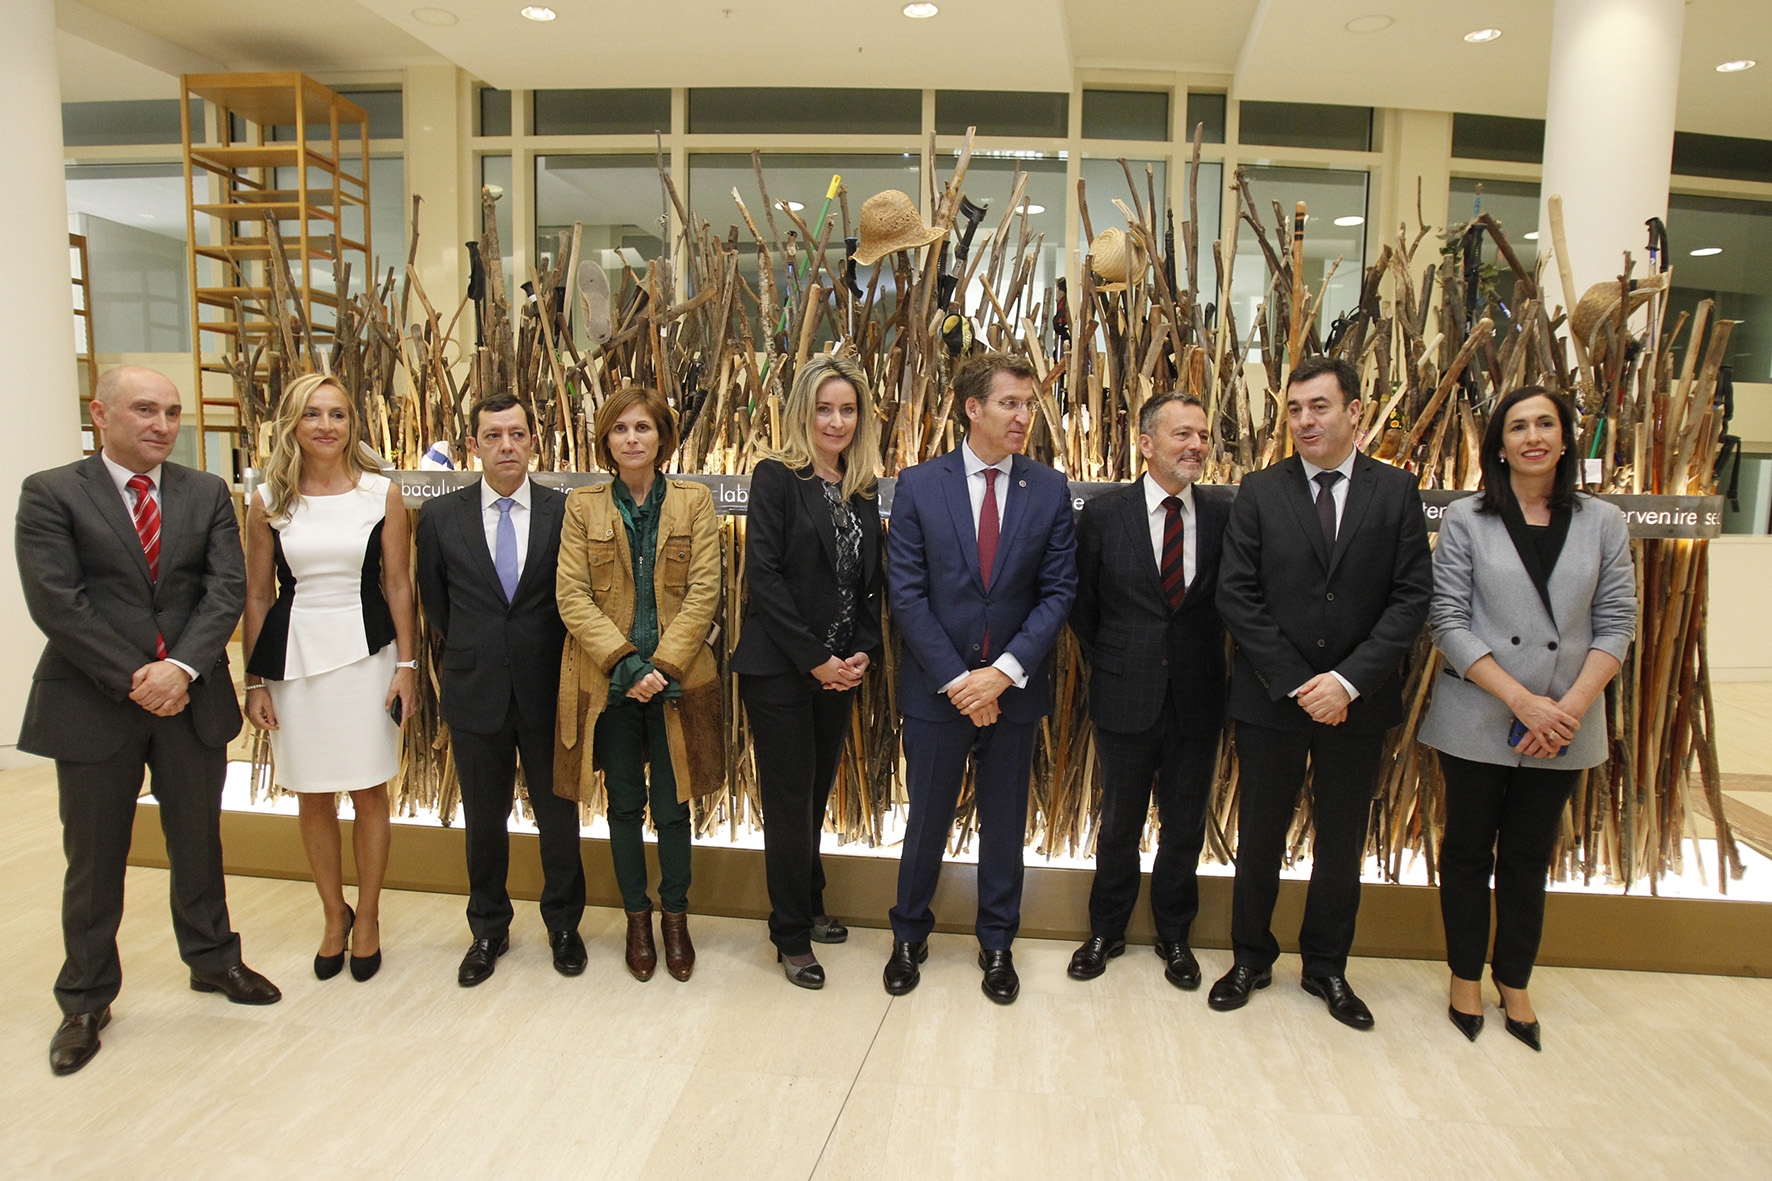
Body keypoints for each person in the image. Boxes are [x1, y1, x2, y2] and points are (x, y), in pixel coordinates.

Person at [17, 365, 281, 1077]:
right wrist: (141, 676)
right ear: (100, 413)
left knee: (198, 842)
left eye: (170, 411)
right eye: (144, 410)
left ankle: (213, 959)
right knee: (94, 856)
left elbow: (226, 586)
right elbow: (57, 600)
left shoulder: (204, 492)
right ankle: (85, 998)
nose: (162, 424)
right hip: (93, 700)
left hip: (190, 699)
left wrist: (183, 669)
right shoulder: (52, 493)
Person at [1213, 355, 1433, 1030]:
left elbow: (1410, 598)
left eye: (1320, 406)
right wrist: (1298, 682)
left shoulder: (1394, 491)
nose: (1305, 421)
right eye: (1295, 409)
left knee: (1342, 840)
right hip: (1272, 698)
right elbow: (1237, 594)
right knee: (1259, 834)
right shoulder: (1260, 490)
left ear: (1355, 411)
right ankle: (1250, 957)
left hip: (1357, 703)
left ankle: (1327, 967)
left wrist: (1345, 681)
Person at [1419, 386, 1635, 1050]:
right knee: (1466, 850)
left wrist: (1567, 708)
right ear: (1499, 444)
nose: (1533, 436)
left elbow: (1617, 622)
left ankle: (1514, 978)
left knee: (1528, 855)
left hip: (1566, 721)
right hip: (1480, 713)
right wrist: (1521, 701)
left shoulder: (1603, 521)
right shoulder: (1468, 518)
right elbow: (1447, 619)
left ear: (1565, 439)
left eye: (1546, 424)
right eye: (1518, 426)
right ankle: (1464, 976)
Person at [883, 351, 1078, 1005]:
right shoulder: (919, 485)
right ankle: (908, 936)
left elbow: (1057, 592)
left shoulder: (1048, 489)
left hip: (1012, 692)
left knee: (1004, 824)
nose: (1023, 416)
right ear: (973, 408)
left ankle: (997, 943)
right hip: (938, 692)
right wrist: (959, 681)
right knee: (925, 822)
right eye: (1009, 403)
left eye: (1029, 405)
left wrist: (1001, 674)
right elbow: (907, 595)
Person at [242, 373, 418, 985]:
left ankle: (367, 915)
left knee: (370, 791)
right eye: (313, 413)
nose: (325, 425)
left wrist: (406, 667)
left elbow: (398, 584)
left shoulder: (380, 493)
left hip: (369, 658)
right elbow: (257, 594)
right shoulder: (269, 499)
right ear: (293, 423)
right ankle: (332, 915)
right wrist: (255, 681)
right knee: (311, 793)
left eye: (337, 414)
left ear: (351, 424)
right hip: (294, 662)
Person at [555, 385, 725, 983]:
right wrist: (626, 665)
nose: (632, 438)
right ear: (606, 440)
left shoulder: (693, 501)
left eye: (643, 428)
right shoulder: (583, 507)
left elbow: (704, 591)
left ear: (662, 438)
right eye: (620, 428)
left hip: (677, 683)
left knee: (674, 808)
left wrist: (662, 667)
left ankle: (675, 918)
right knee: (624, 806)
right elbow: (572, 595)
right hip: (610, 686)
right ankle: (636, 918)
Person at [416, 393, 587, 987]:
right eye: (493, 436)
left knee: (559, 819)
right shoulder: (441, 517)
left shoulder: (566, 512)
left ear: (533, 441)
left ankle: (564, 926)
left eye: (516, 433)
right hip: (476, 690)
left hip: (549, 691)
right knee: (483, 822)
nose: (506, 445)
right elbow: (437, 605)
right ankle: (488, 929)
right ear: (474, 445)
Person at [1067, 393, 1230, 990]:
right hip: (1125, 692)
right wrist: (1120, 657)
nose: (1196, 446)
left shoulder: (1224, 515)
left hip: (1198, 696)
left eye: (1202, 435)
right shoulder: (1105, 516)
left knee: (1185, 825)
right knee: (1118, 823)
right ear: (1146, 443)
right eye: (1182, 434)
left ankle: (1174, 935)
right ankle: (1106, 931)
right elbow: (1083, 606)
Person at [733, 355, 884, 990]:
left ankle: (811, 900)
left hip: (839, 670)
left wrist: (862, 650)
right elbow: (764, 578)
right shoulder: (777, 476)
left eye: (847, 410)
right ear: (803, 413)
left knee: (815, 795)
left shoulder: (862, 488)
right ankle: (790, 934)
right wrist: (815, 659)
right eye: (824, 409)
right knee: (789, 802)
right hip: (780, 669)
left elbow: (866, 586)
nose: (836, 421)